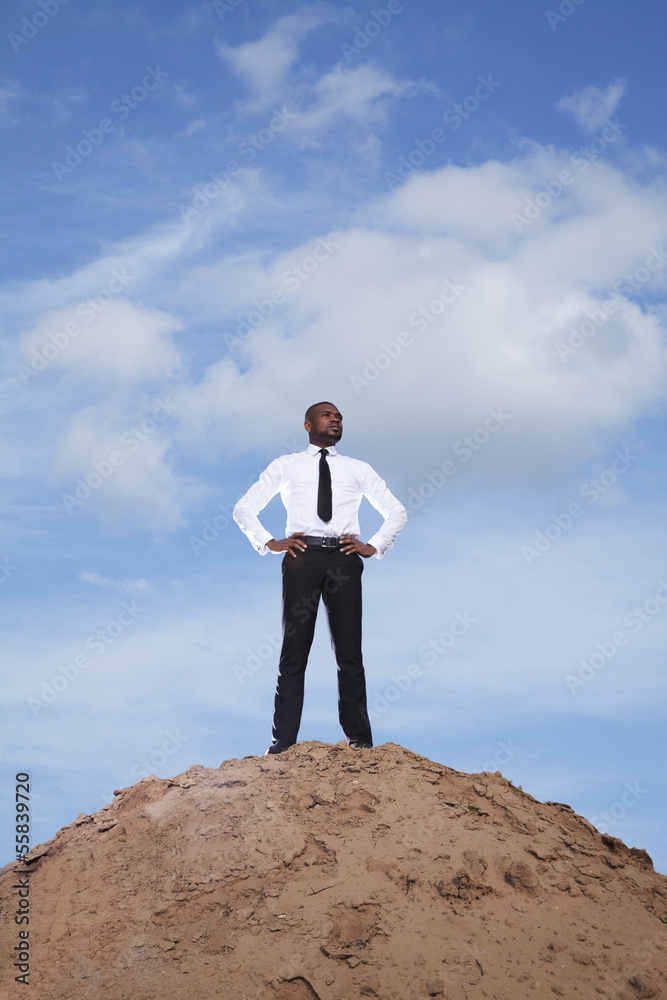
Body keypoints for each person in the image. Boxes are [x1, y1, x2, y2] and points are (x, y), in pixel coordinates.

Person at [233, 401, 408, 755]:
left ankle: (360, 740)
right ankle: (282, 744)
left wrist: (374, 545)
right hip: (301, 557)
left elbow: (396, 511)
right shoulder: (287, 465)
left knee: (349, 653)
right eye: (328, 415)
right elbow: (244, 508)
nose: (336, 420)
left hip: (344, 559)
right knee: (293, 653)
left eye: (340, 416)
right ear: (308, 425)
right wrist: (269, 542)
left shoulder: (358, 469)